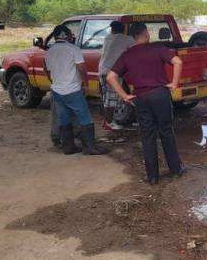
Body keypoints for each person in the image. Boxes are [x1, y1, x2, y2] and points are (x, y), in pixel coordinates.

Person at [106, 22, 185, 185]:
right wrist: (175, 83)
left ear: (133, 38)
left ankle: (153, 177)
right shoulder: (157, 49)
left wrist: (125, 96)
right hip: (160, 95)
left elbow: (110, 77)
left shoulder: (127, 55)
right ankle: (176, 170)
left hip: (140, 98)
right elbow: (178, 62)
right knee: (166, 132)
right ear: (146, 34)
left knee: (147, 136)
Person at [44, 25, 109, 156]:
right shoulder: (74, 49)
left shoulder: (50, 51)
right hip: (73, 89)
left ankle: (68, 147)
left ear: (55, 36)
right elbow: (82, 68)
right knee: (85, 118)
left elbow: (47, 69)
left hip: (57, 90)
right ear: (68, 36)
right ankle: (90, 147)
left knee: (64, 118)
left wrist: (54, 82)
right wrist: (85, 84)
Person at [98, 20, 136, 131]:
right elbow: (137, 48)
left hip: (102, 71)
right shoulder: (126, 39)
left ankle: (108, 121)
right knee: (112, 99)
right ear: (123, 30)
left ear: (112, 29)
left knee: (107, 98)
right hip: (112, 73)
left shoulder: (107, 38)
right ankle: (109, 123)